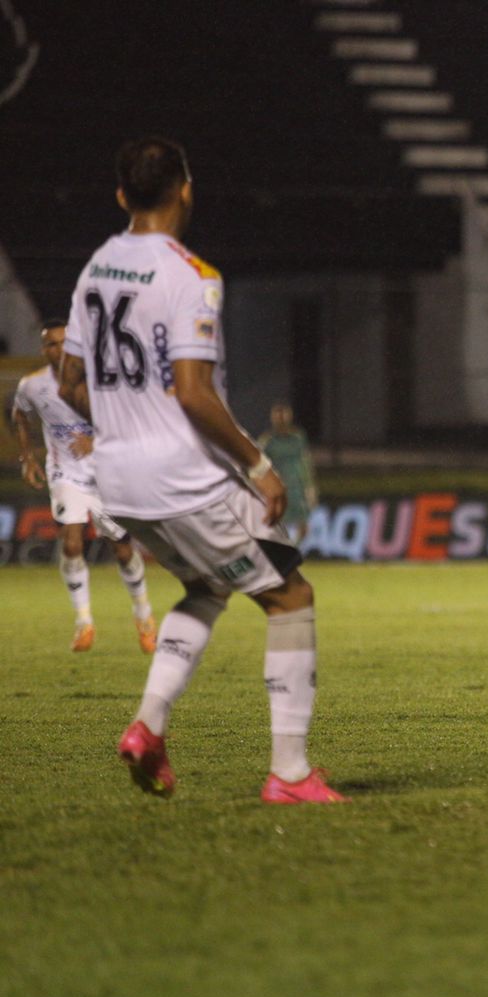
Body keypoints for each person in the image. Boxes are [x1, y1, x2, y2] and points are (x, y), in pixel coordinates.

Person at [58, 135, 343, 804]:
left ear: (122, 195)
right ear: (187, 188)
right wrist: (259, 464)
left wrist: (123, 421)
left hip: (120, 482)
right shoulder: (191, 276)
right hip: (181, 478)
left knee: (207, 591)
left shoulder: (97, 267)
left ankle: (148, 730)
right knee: (290, 595)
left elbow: (71, 381)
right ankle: (291, 774)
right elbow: (192, 391)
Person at [12, 318, 155, 652]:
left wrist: (97, 440)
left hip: (107, 475)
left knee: (121, 549)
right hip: (66, 474)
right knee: (72, 545)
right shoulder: (33, 385)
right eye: (50, 343)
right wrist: (27, 457)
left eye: (63, 342)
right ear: (43, 349)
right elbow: (20, 415)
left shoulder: (100, 382)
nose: (57, 349)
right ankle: (84, 623)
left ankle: (144, 617)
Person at [257, 402, 317, 543]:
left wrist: (310, 487)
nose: (282, 418)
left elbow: (305, 462)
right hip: (278, 489)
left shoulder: (298, 438)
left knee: (304, 528)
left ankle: (292, 549)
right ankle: (278, 552)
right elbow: (259, 467)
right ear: (273, 418)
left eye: (284, 414)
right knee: (274, 526)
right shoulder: (267, 441)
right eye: (278, 415)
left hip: (297, 489)